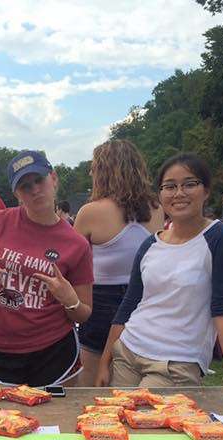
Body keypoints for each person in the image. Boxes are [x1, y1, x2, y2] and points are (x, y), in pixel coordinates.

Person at [94, 153, 223, 392]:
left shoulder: (220, 239)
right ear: (160, 194)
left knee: (151, 427)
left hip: (176, 363)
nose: (179, 193)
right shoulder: (150, 244)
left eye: (189, 184)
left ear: (206, 191)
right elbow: (129, 304)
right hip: (127, 352)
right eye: (169, 186)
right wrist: (105, 361)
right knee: (116, 424)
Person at [0, 150, 93, 387]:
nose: (34, 190)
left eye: (39, 180)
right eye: (24, 185)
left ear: (53, 178)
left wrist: (69, 299)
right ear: (16, 193)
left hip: (55, 351)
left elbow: (83, 312)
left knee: (55, 422)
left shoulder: (77, 244)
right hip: (0, 348)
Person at [73, 138, 164, 386]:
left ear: (102, 171)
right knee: (132, 378)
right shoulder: (156, 208)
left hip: (100, 300)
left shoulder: (91, 211)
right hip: (145, 301)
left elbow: (70, 264)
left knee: (91, 381)